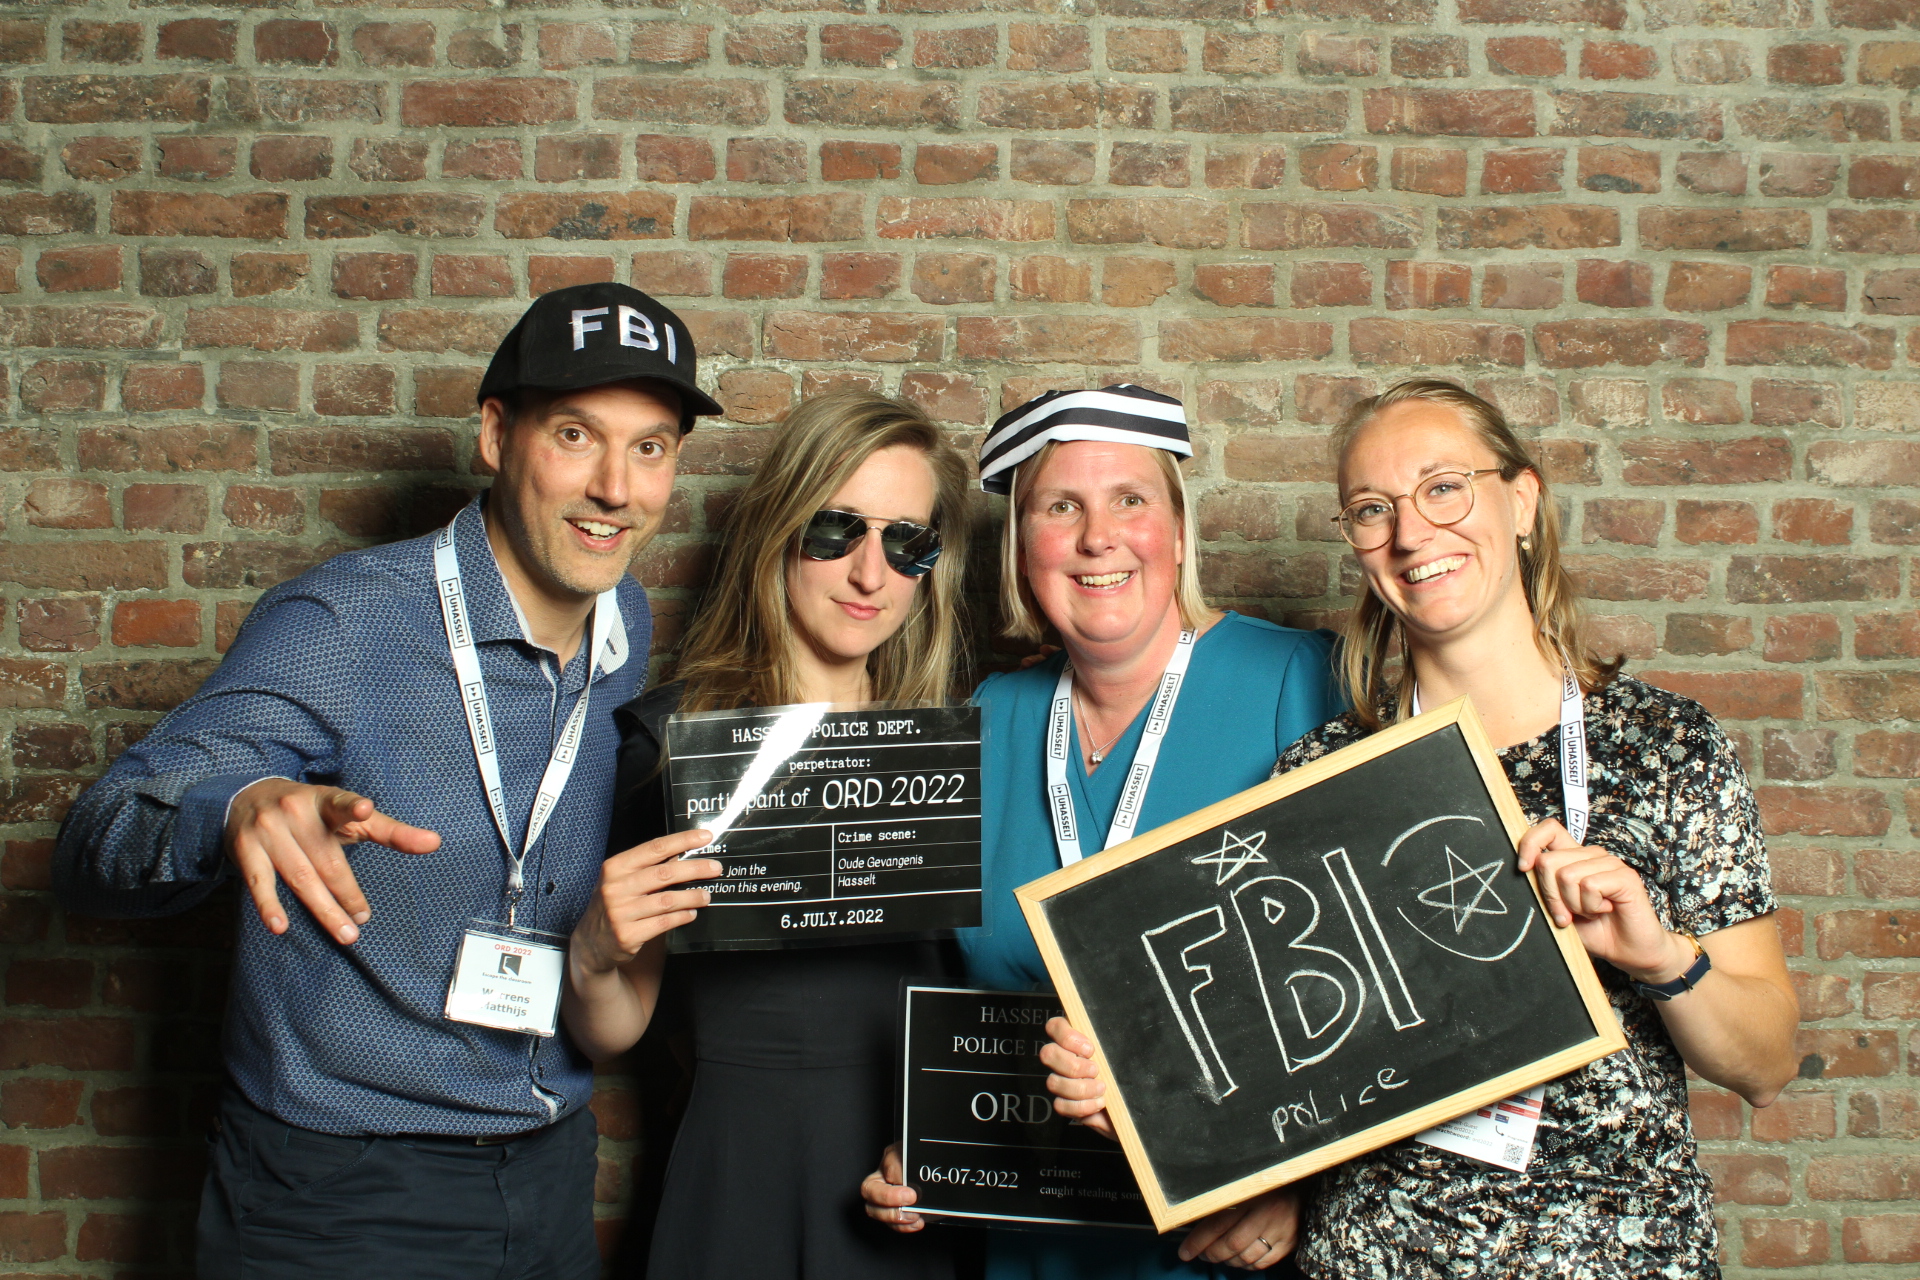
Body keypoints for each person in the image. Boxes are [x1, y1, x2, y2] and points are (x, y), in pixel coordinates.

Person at [1042, 378, 1800, 1278]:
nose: (1411, 534)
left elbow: (1765, 1066)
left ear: (1523, 501)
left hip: (1618, 1258)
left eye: (1444, 488)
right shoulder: (1318, 771)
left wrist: (1663, 958)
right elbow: (1277, 1069)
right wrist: (1133, 1094)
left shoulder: (1665, 744)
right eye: (1373, 509)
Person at [53, 282, 722, 1279]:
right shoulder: (345, 622)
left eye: (651, 446)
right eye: (576, 435)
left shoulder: (622, 619)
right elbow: (93, 842)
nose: (616, 488)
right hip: (340, 1194)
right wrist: (234, 809)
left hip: (548, 1177)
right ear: (496, 435)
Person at [861, 384, 1342, 1277]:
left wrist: (1306, 1182)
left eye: (1130, 499)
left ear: (1179, 531)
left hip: (1215, 1237)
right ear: (1022, 548)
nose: (1098, 537)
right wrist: (926, 1143)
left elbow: (1382, 982)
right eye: (1061, 507)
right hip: (1032, 1238)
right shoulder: (989, 718)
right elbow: (950, 998)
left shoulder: (1299, 684)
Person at [563, 391, 975, 1280]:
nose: (870, 574)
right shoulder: (672, 747)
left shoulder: (961, 752)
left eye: (906, 542)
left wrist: (959, 1144)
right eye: (835, 530)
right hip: (733, 1179)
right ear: (778, 530)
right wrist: (591, 953)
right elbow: (612, 1032)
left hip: (911, 1191)